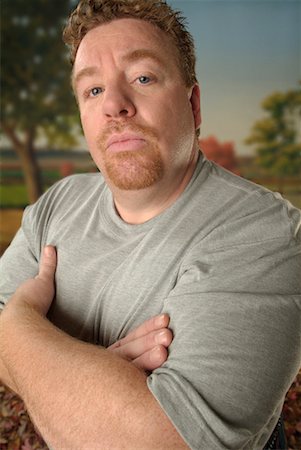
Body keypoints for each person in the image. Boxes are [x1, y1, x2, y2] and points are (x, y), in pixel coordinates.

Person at [0, 0, 300, 448]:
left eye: (143, 78)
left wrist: (20, 321)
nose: (115, 106)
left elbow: (154, 441)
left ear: (194, 105)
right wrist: (103, 375)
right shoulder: (58, 205)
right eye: (93, 90)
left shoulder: (266, 235)